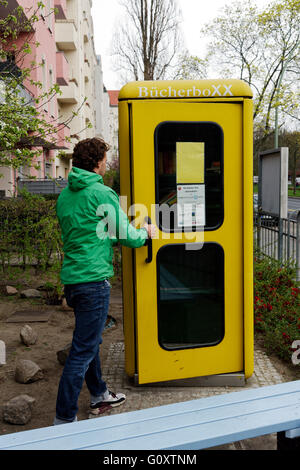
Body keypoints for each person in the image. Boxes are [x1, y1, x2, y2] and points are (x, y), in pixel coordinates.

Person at [54, 137, 155, 424]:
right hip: (93, 280)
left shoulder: (66, 195)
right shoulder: (102, 193)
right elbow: (129, 237)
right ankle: (63, 420)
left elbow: (85, 231)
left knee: (88, 342)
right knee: (82, 351)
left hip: (73, 280)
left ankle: (99, 394)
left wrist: (110, 233)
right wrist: (145, 231)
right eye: (105, 160)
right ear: (98, 163)